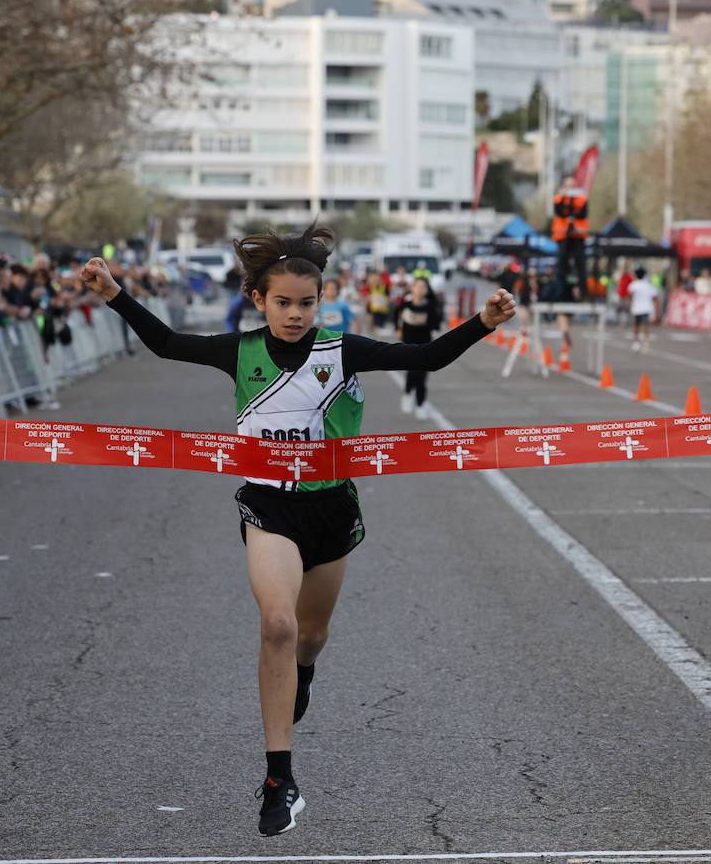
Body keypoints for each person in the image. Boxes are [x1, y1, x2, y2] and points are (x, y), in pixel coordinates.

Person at [78, 224, 515, 838]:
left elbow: (424, 357)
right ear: (259, 300)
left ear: (320, 301)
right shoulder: (240, 350)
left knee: (310, 635)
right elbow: (168, 343)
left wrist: (485, 321)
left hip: (331, 510)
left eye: (306, 303)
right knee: (278, 624)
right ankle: (280, 780)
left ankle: (303, 674)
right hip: (269, 507)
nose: (294, 314)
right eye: (282, 302)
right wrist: (115, 293)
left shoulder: (343, 351)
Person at [393, 275, 444, 418]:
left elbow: (437, 324)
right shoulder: (406, 305)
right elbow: (396, 313)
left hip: (425, 345)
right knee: (411, 371)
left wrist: (424, 323)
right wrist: (398, 328)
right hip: (408, 344)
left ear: (427, 290)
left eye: (423, 287)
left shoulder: (430, 306)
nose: (420, 289)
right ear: (412, 288)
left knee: (421, 376)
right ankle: (408, 394)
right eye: (417, 286)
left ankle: (421, 404)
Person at [626, 267, 658, 352]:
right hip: (646, 307)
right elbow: (655, 297)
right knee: (645, 325)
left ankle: (636, 341)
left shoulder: (633, 285)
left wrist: (630, 304)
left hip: (636, 308)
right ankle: (646, 341)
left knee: (636, 325)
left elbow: (629, 295)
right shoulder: (648, 284)